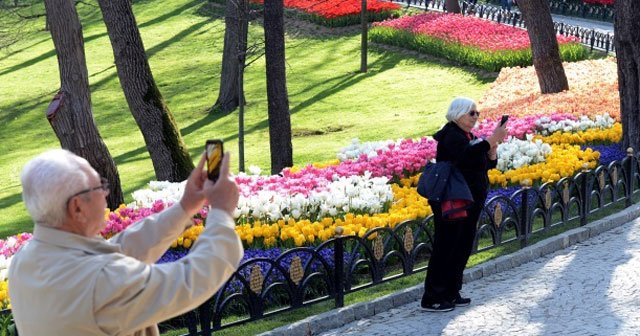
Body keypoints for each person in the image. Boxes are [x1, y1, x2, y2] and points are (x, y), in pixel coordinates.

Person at [8, 149, 244, 335]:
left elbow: (115, 253)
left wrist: (185, 208)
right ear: (77, 207)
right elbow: (188, 282)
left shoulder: (26, 260)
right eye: (100, 186)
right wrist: (222, 212)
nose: (106, 193)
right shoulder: (100, 282)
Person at [421, 97, 507, 312]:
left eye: (477, 113)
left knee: (461, 246)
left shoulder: (468, 136)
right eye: (471, 113)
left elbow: (480, 162)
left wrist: (492, 151)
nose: (476, 117)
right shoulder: (451, 135)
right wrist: (489, 141)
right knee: (446, 246)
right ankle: (432, 297)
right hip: (454, 200)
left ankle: (451, 291)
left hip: (469, 200)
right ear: (458, 114)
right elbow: (465, 154)